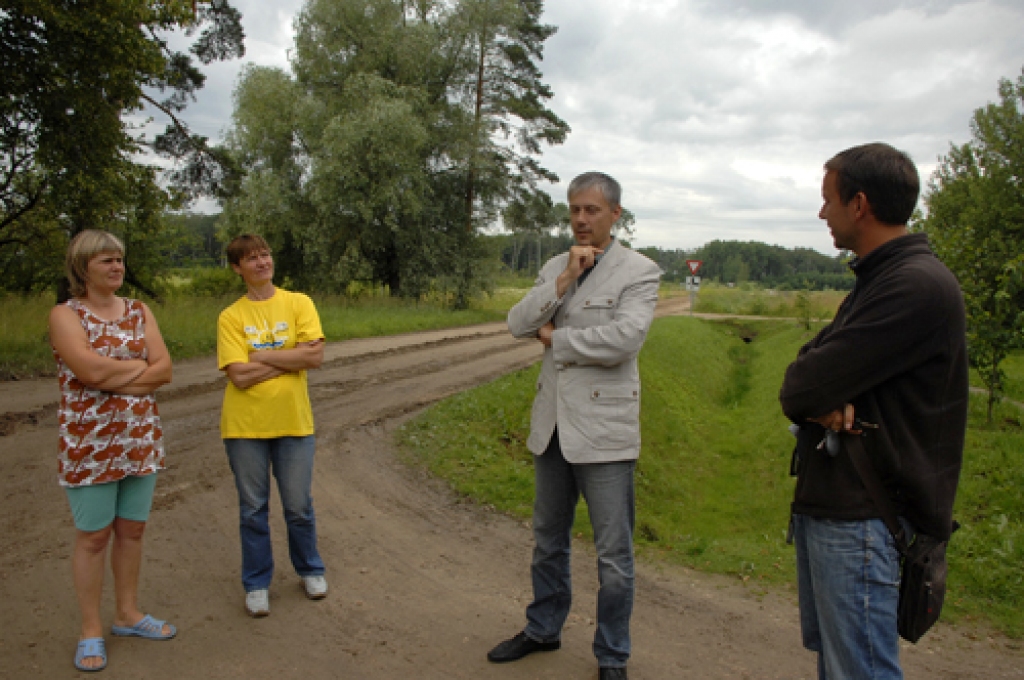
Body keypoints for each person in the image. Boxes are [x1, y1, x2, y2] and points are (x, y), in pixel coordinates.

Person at [779, 143, 968, 679]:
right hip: (845, 509)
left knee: (859, 670)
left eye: (827, 201)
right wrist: (822, 393)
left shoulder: (913, 286)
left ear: (859, 204)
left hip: (867, 517)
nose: (822, 214)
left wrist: (821, 394)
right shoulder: (880, 279)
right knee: (841, 667)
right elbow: (805, 370)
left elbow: (799, 390)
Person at [488, 172, 662, 680]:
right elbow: (517, 323)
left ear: (615, 214)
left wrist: (555, 340)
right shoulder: (553, 265)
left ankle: (612, 655)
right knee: (548, 540)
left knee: (613, 556)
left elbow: (624, 341)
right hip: (553, 427)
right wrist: (563, 280)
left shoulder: (640, 271)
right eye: (574, 210)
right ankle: (542, 629)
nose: (581, 219)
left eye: (591, 210)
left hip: (606, 433)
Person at [49, 230, 176, 672]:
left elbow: (164, 371)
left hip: (139, 441)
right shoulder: (66, 315)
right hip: (89, 445)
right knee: (93, 537)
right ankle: (90, 630)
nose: (117, 267)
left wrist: (112, 375)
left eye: (119, 259)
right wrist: (137, 369)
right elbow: (86, 369)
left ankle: (127, 614)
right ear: (84, 268)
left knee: (133, 532)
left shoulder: (140, 312)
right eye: (106, 260)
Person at [217, 234, 328, 617]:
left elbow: (315, 358)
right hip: (244, 427)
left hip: (294, 423)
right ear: (237, 268)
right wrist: (289, 357)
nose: (262, 262)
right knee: (253, 508)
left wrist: (260, 355)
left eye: (265, 254)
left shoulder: (299, 303)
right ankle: (257, 582)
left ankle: (310, 568)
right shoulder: (231, 316)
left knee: (298, 505)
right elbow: (239, 377)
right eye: (251, 258)